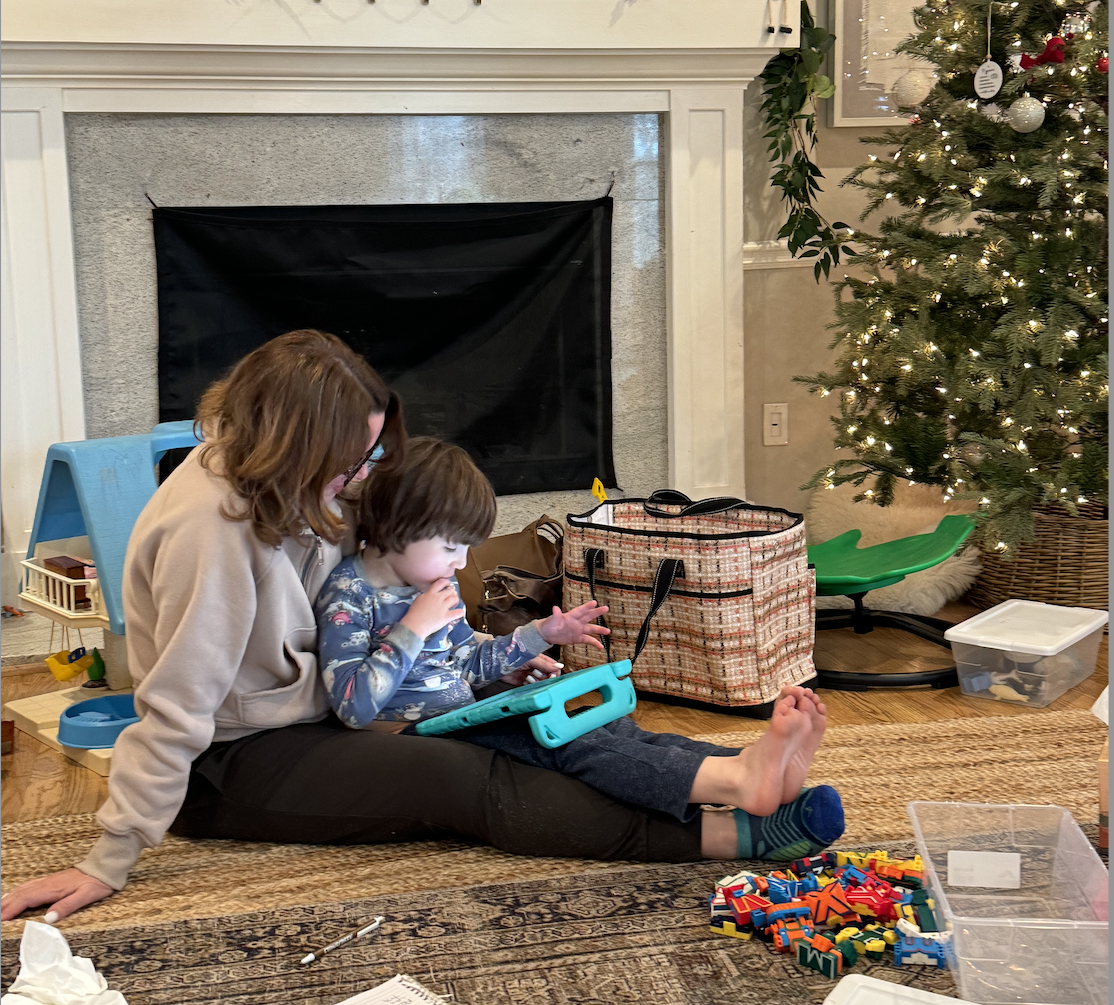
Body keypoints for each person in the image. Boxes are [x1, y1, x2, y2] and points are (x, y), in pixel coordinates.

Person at [0, 329, 839, 927]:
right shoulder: (209, 535)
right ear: (298, 444)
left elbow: (401, 531)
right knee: (460, 777)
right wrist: (104, 859)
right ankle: (732, 831)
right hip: (233, 765)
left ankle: (735, 772)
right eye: (353, 461)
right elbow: (176, 709)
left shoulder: (300, 483)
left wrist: (499, 654)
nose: (363, 478)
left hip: (327, 708)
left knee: (544, 725)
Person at [315, 436, 843, 856]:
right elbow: (352, 705)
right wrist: (412, 629)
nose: (459, 564)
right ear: (396, 528)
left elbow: (469, 662)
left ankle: (744, 763)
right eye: (451, 547)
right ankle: (736, 781)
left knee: (602, 722)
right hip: (413, 735)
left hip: (466, 711)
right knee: (573, 744)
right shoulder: (349, 594)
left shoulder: (437, 585)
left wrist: (539, 636)